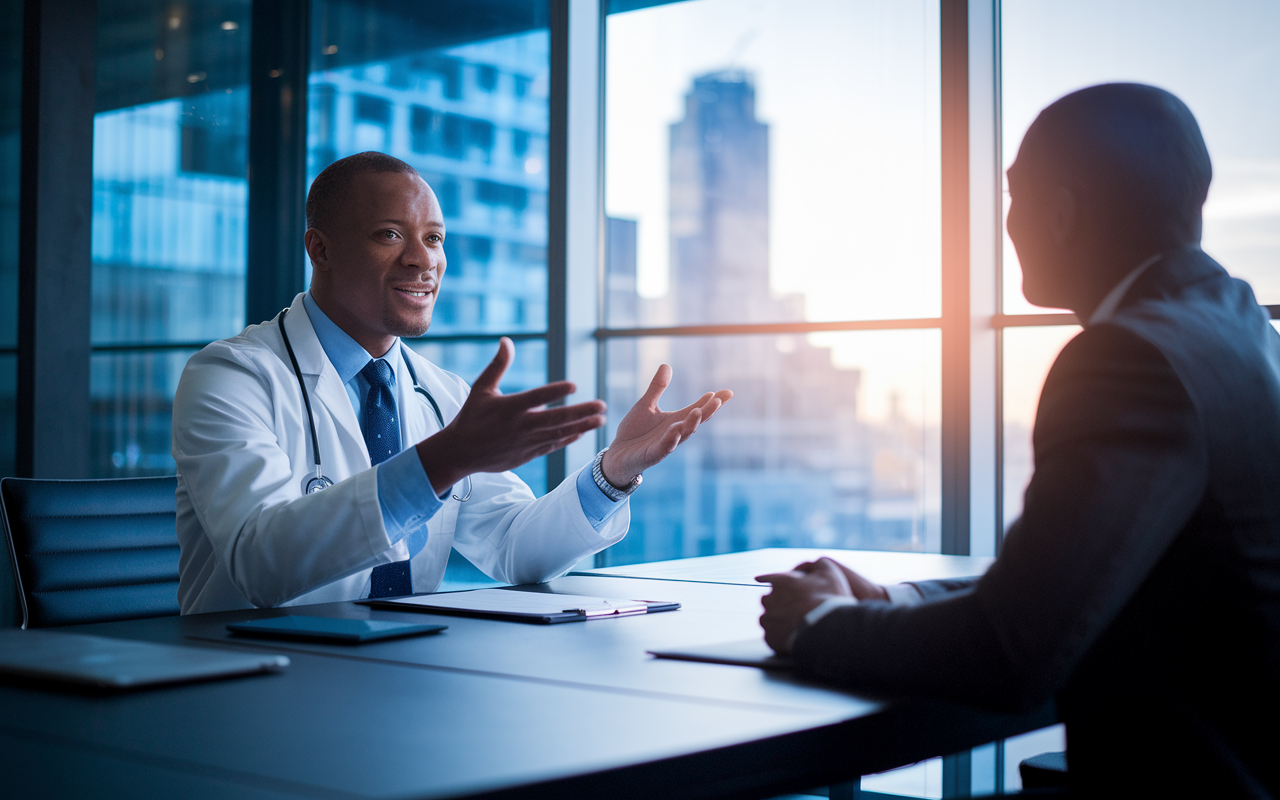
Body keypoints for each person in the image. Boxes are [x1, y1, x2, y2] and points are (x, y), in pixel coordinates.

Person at [757, 84, 1280, 795]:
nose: (1006, 223)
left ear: (1061, 212)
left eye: (1014, 195)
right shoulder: (1241, 328)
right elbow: (1069, 578)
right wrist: (889, 597)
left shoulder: (1131, 359)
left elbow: (1011, 651)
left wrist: (818, 624)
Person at [173, 151, 732, 615]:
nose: (423, 260)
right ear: (320, 248)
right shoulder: (231, 377)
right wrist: (441, 462)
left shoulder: (441, 394)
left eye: (435, 239)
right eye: (391, 234)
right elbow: (260, 564)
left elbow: (513, 547)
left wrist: (611, 474)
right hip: (256, 684)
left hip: (407, 678)